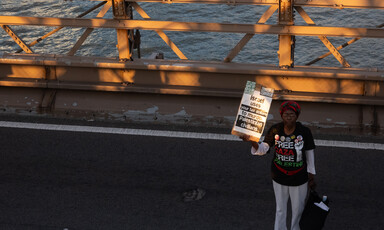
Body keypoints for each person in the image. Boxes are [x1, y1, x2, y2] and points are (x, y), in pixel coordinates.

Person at [241, 100, 316, 230]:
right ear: (281, 115)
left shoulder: (305, 132)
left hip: (299, 178)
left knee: (298, 211)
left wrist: (311, 174)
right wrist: (252, 141)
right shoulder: (275, 129)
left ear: (297, 116)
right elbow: (263, 149)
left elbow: (309, 153)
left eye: (292, 114)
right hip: (279, 176)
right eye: (286, 114)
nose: (288, 117)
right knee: (280, 209)